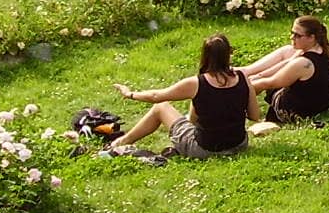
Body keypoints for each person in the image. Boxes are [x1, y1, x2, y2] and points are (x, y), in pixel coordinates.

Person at [110, 33, 260, 159]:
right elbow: (255, 115)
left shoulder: (196, 83)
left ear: (205, 56)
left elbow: (156, 96)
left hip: (204, 150)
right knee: (197, 103)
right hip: (238, 145)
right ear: (228, 54)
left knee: (161, 107)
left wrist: (130, 94)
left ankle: (121, 142)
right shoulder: (243, 78)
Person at [240, 16, 329, 124]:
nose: (292, 37)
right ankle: (246, 73)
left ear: (311, 37)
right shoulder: (320, 49)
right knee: (288, 50)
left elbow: (268, 83)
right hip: (321, 104)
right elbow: (287, 63)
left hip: (298, 111)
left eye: (297, 35)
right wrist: (259, 75)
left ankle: (241, 108)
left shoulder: (303, 63)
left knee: (253, 87)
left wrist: (244, 86)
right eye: (292, 33)